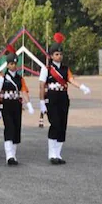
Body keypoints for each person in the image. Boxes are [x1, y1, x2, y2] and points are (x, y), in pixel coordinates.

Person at [39, 33, 91, 165]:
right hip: (52, 97)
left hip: (63, 97)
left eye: (61, 54)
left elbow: (71, 80)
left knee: (62, 126)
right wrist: (41, 102)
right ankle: (52, 154)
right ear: (51, 56)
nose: (59, 56)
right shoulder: (46, 69)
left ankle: (58, 154)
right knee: (55, 124)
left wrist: (82, 87)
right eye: (56, 54)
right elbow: (41, 86)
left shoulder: (65, 69)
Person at [0, 44, 34, 165]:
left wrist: (29, 104)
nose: (13, 66)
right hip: (6, 104)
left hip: (16, 105)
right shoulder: (2, 77)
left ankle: (14, 155)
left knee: (17, 128)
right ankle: (9, 155)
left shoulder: (19, 78)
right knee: (9, 128)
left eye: (15, 64)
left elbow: (23, 91)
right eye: (11, 64)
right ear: (7, 64)